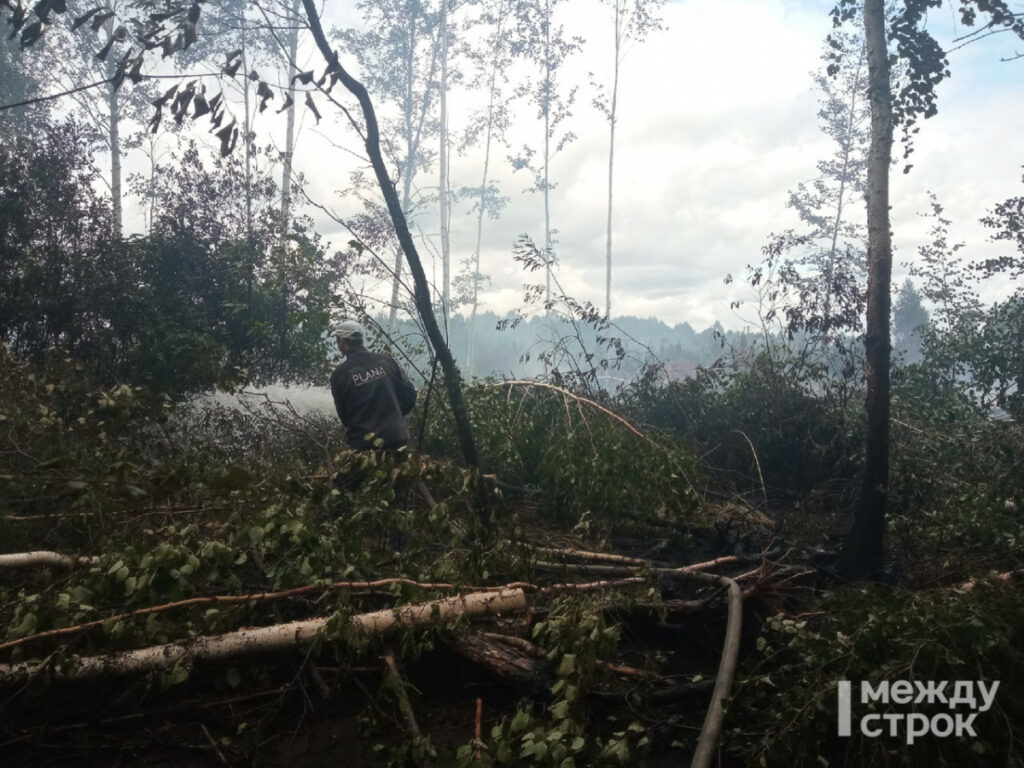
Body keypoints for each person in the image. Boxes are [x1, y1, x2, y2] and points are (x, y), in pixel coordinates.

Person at [329, 320, 417, 452]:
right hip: (396, 437)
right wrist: (394, 416)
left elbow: (344, 415)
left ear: (342, 340)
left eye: (337, 340)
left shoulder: (340, 374)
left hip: (363, 443)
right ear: (361, 339)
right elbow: (410, 394)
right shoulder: (386, 361)